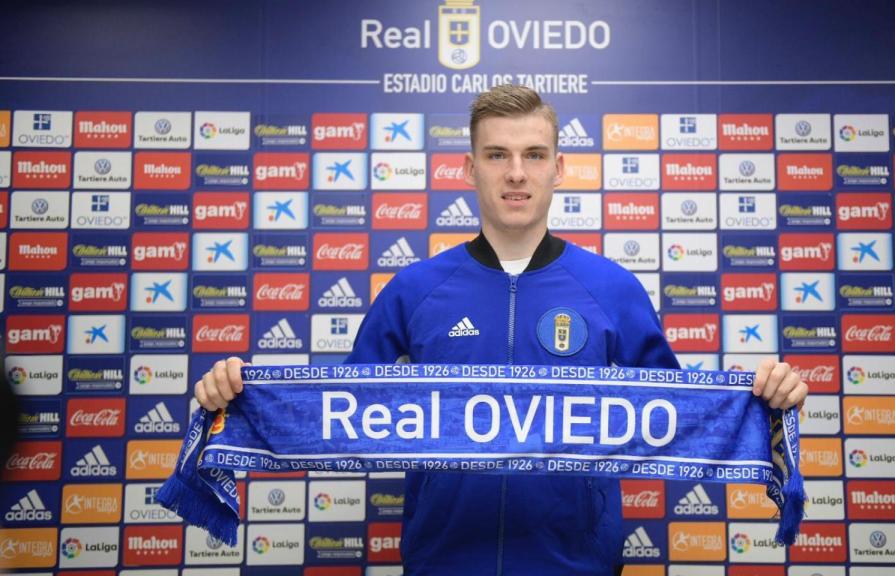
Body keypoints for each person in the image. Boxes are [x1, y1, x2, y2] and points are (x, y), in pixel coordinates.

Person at [195, 84, 809, 575]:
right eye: (497, 155)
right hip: (442, 559)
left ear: (558, 168)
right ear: (470, 168)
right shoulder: (415, 289)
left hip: (578, 562)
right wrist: (238, 399)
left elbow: (681, 420)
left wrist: (766, 401)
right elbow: (336, 410)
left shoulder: (611, 288)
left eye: (533, 155)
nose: (516, 173)